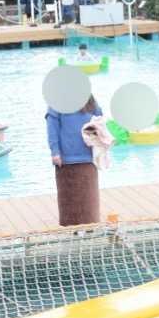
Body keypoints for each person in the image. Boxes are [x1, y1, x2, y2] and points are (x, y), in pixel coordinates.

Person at [47, 94, 104, 226]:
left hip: (88, 154)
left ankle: (91, 225)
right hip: (66, 158)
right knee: (68, 197)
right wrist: (55, 152)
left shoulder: (89, 98)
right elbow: (52, 129)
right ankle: (70, 227)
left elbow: (99, 119)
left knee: (89, 196)